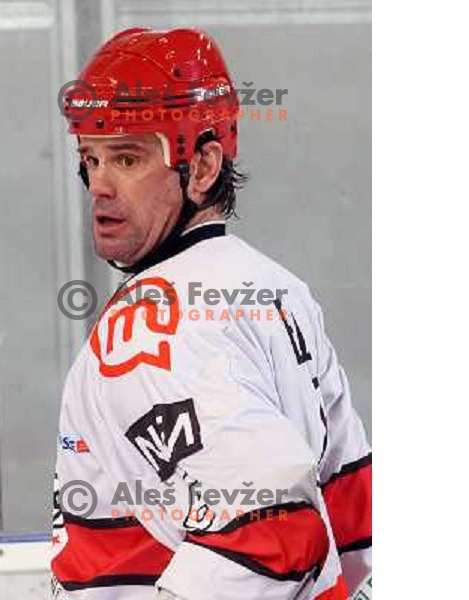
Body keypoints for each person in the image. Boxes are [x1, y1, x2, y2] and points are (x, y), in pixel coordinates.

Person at [51, 27, 371, 600]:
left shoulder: (146, 324)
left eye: (127, 157)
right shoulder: (278, 290)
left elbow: (272, 526)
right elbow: (355, 510)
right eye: (90, 159)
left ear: (201, 168)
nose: (98, 185)